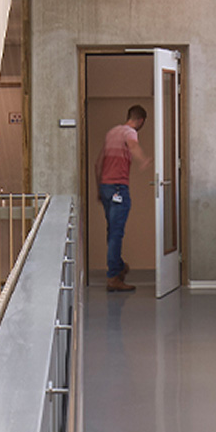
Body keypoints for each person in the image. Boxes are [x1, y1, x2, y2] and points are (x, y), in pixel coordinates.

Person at [98, 105, 148, 292]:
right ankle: (113, 277)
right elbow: (133, 145)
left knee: (112, 231)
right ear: (140, 121)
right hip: (118, 188)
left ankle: (118, 266)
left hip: (106, 188)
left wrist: (99, 188)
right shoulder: (130, 132)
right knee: (116, 233)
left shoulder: (111, 132)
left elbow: (98, 163)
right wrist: (143, 160)